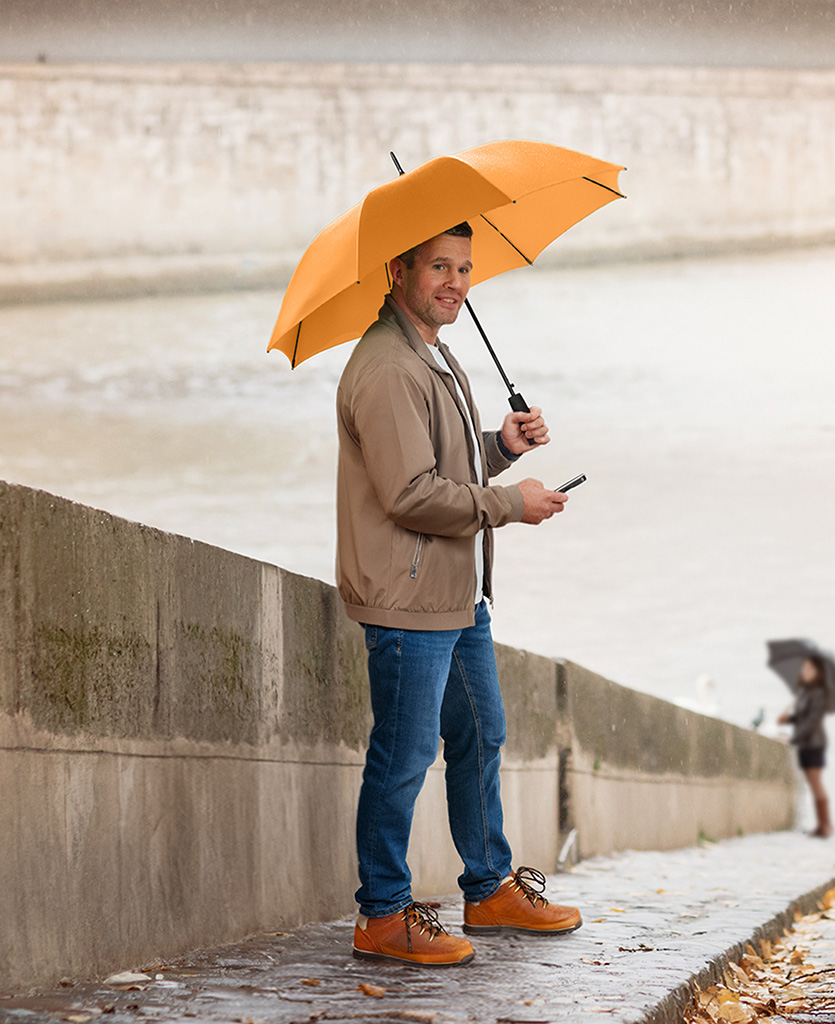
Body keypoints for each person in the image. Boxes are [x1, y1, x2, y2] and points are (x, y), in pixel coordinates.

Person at [336, 221, 582, 967]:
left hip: (454, 594)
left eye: (465, 268)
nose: (455, 282)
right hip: (407, 600)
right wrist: (512, 503)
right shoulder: (386, 369)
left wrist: (501, 447)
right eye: (439, 266)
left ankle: (486, 888)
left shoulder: (433, 358)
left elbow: (448, 464)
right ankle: (381, 914)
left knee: (482, 735)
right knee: (404, 754)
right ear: (398, 269)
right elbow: (412, 495)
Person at [778, 657, 832, 838]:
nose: (806, 672)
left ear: (818, 672)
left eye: (810, 669)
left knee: (816, 783)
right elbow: (802, 717)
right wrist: (788, 719)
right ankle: (822, 825)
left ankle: (825, 825)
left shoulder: (818, 693)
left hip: (814, 743)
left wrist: (794, 739)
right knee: (812, 783)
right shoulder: (804, 692)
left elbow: (812, 721)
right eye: (804, 668)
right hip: (806, 743)